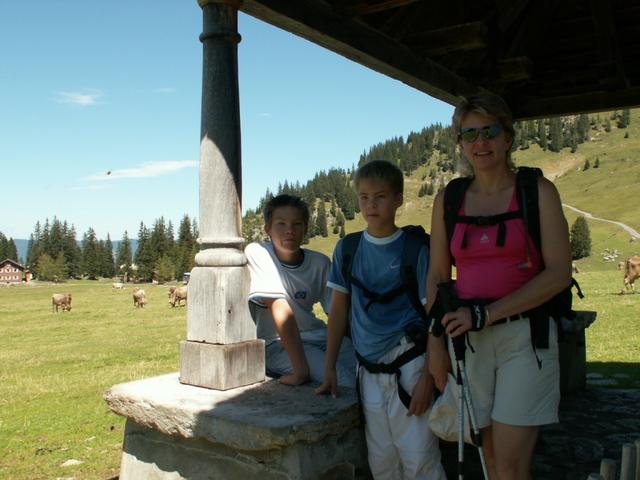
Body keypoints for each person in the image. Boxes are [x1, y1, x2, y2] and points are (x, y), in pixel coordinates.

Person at [426, 93, 572, 480]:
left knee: (509, 466)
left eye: (489, 131)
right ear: (460, 143)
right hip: (468, 341)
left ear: (508, 137)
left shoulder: (538, 192)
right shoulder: (448, 200)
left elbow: (558, 274)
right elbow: (438, 277)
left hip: (525, 338)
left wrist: (486, 314)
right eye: (469, 134)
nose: (480, 142)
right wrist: (435, 342)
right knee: (489, 461)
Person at [316, 160, 446, 480]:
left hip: (411, 366)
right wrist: (330, 366)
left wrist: (429, 378)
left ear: (399, 199)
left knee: (419, 459)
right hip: (368, 371)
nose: (371, 205)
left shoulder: (415, 249)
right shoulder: (348, 248)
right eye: (363, 197)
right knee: (382, 461)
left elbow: (435, 318)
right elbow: (338, 311)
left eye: (380, 196)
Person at [246, 194, 356, 387]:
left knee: (366, 370)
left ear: (305, 228)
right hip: (277, 343)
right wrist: (300, 370)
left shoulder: (319, 263)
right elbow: (280, 307)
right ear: (267, 229)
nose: (289, 231)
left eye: (297, 224)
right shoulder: (258, 252)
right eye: (281, 224)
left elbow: (337, 312)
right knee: (343, 381)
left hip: (319, 336)